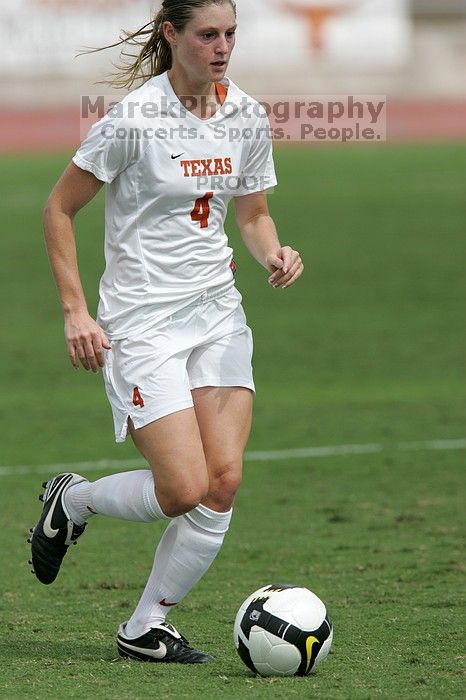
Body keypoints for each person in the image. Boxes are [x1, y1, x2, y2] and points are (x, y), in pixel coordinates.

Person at [30, 0, 304, 664]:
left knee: (224, 480)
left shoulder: (246, 114)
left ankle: (145, 627)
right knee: (181, 488)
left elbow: (254, 212)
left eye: (231, 34)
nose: (222, 48)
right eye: (208, 34)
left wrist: (274, 250)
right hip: (142, 323)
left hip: (216, 315)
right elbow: (58, 208)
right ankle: (76, 499)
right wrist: (75, 311)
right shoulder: (134, 120)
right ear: (172, 34)